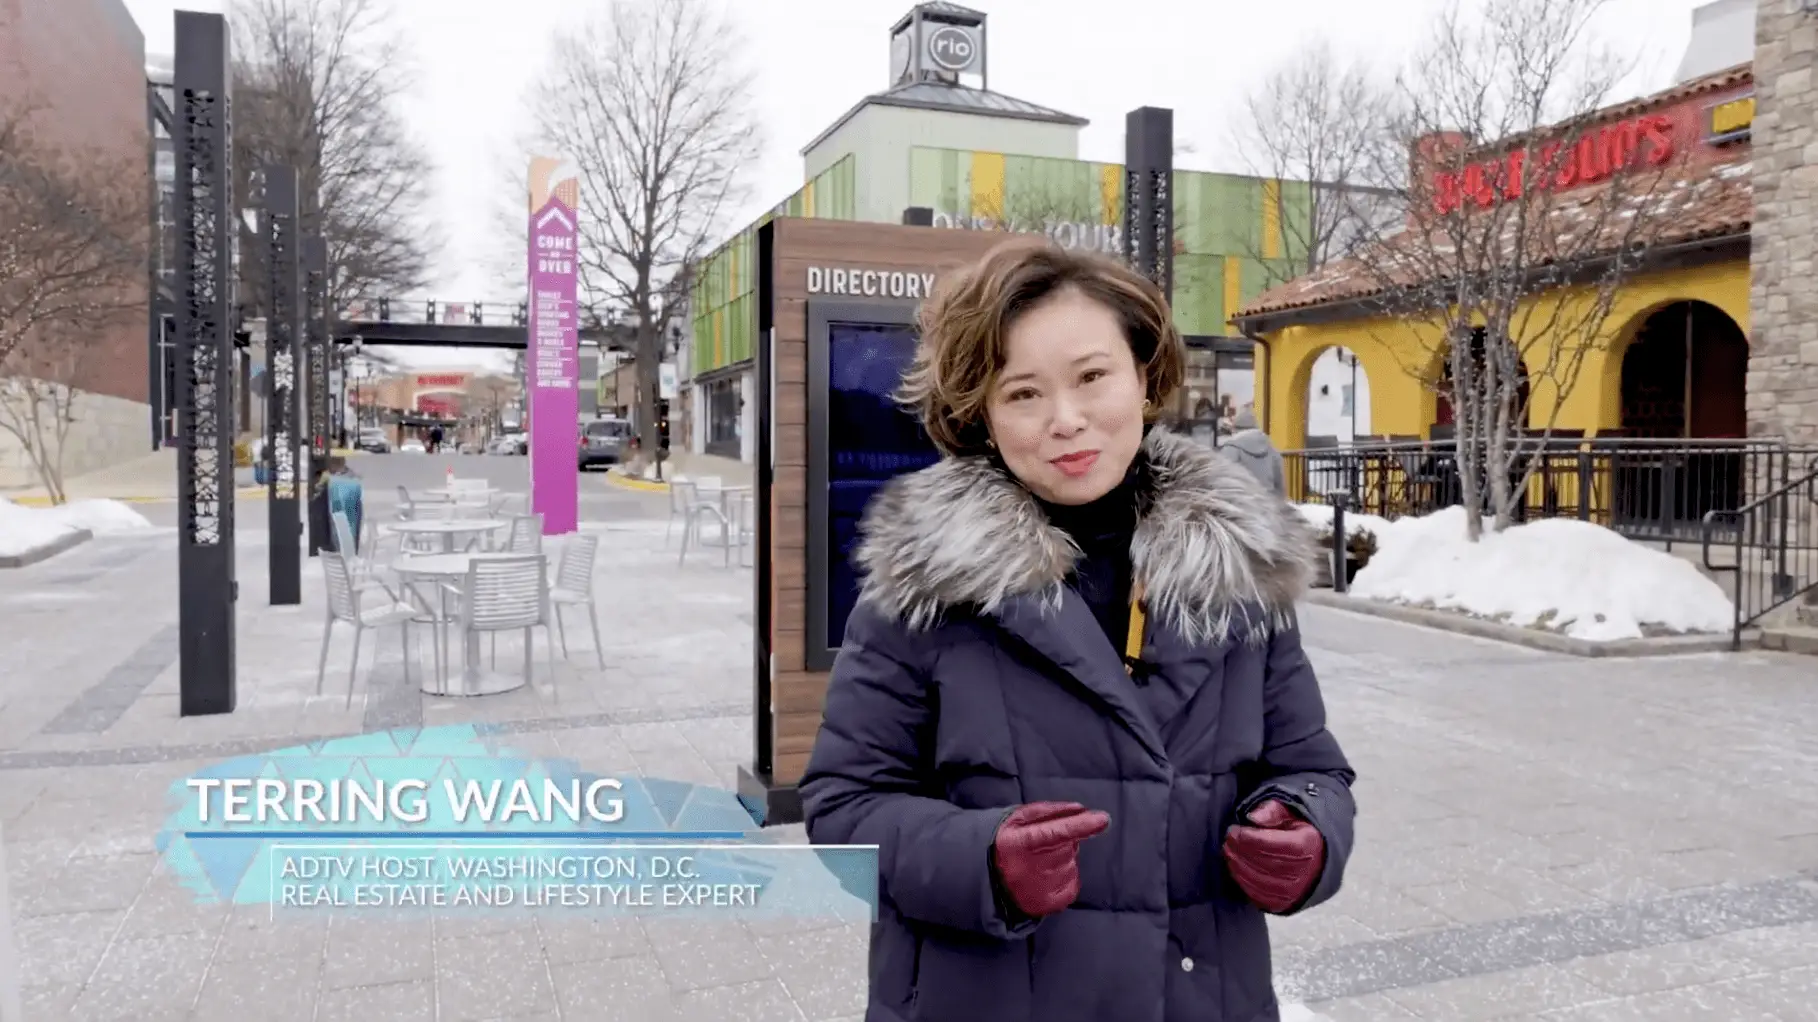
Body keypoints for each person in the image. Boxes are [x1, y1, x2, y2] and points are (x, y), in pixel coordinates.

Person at [799, 239, 1355, 1022]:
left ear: (1143, 375)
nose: (1066, 420)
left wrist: (1307, 836)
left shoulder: (1241, 571)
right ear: (981, 415)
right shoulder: (922, 586)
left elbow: (1312, 768)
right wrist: (982, 863)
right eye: (1022, 393)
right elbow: (844, 805)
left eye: (1092, 377)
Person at [1220, 406, 1287, 498]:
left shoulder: (1231, 448)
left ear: (1235, 428)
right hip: (1269, 503)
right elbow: (1279, 480)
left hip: (1244, 504)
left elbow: (1224, 482)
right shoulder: (1270, 446)